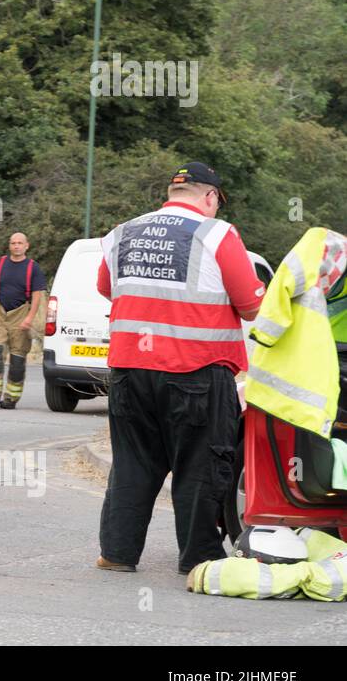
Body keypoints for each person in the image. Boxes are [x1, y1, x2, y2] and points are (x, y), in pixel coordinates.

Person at [95, 162, 265, 574]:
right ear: (210, 197)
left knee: (133, 461)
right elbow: (252, 303)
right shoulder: (217, 234)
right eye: (216, 203)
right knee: (201, 464)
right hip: (196, 373)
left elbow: (106, 287)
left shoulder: (123, 232)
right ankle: (200, 557)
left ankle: (117, 553)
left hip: (129, 370)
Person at [0, 232, 46, 409]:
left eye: (20, 243)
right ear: (9, 245)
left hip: (21, 315)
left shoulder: (33, 268)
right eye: (13, 243)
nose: (16, 246)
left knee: (17, 360)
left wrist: (30, 318)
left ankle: (11, 397)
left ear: (26, 246)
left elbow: (38, 296)